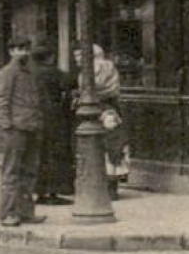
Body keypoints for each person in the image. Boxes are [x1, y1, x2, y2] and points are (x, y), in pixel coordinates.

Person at [0, 39, 46, 227]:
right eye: (19, 50)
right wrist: (7, 126)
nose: (24, 53)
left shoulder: (31, 73)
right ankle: (7, 213)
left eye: (26, 49)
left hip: (32, 127)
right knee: (11, 172)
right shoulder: (6, 73)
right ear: (11, 52)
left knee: (29, 172)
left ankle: (26, 212)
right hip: (16, 129)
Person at [78, 42, 130, 198]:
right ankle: (112, 185)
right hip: (111, 107)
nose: (78, 59)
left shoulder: (95, 68)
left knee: (102, 146)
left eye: (80, 55)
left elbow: (92, 87)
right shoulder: (109, 66)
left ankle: (103, 186)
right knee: (113, 145)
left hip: (98, 107)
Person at [32, 45, 76, 206]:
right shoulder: (52, 72)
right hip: (53, 117)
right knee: (55, 153)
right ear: (50, 56)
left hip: (35, 116)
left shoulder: (31, 73)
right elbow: (71, 82)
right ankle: (52, 192)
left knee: (40, 155)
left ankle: (40, 192)